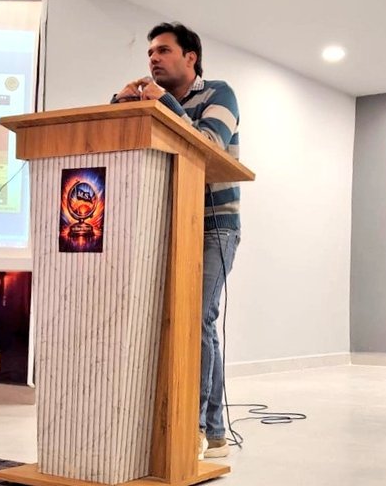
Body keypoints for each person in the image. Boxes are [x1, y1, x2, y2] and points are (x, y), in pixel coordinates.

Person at [114, 22, 240, 458]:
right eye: (150, 52)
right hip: (165, 223)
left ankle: (195, 427)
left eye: (163, 50)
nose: (153, 58)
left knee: (197, 318)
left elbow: (208, 145)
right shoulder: (155, 104)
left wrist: (163, 102)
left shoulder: (220, 93)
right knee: (182, 322)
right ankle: (215, 432)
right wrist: (120, 105)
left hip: (214, 225)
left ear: (191, 57)